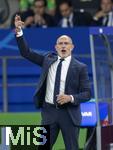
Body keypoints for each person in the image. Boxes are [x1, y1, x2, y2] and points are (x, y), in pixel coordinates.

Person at [14, 14, 91, 150]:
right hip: (49, 113)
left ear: (72, 47)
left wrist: (70, 97)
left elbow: (87, 94)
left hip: (69, 114)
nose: (63, 46)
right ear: (56, 47)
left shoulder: (80, 67)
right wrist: (19, 33)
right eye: (60, 43)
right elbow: (26, 52)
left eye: (66, 43)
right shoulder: (47, 60)